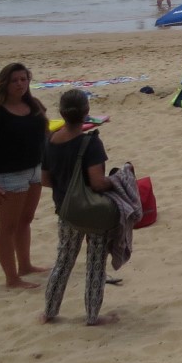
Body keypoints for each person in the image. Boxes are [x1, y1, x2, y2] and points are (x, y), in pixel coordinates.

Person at [40, 89, 119, 326]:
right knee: (95, 262)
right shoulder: (90, 142)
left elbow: (45, 180)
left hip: (66, 208)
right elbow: (97, 182)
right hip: (92, 211)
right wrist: (116, 181)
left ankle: (49, 311)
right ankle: (92, 315)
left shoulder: (51, 141)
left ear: (62, 113)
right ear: (87, 112)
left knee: (63, 260)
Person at [0, 63, 49, 288]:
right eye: (14, 80)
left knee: (25, 220)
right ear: (5, 84)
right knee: (7, 227)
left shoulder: (34, 105)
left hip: (34, 170)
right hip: (8, 176)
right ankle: (12, 278)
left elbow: (45, 135)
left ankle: (25, 265)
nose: (20, 84)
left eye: (23, 79)